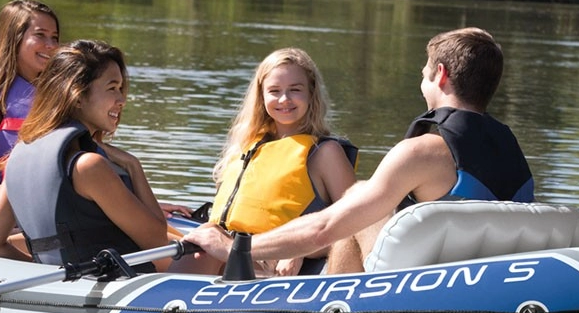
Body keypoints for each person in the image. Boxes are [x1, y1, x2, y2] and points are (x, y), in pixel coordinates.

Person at [187, 27, 534, 274]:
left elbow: (327, 227)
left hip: (403, 298)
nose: (422, 83)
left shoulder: (419, 152)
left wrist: (235, 248)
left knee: (361, 204)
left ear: (440, 75)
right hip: (478, 285)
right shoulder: (513, 153)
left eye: (424, 75)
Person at [0, 40, 175, 272]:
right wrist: (133, 166)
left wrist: (46, 272)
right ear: (77, 96)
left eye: (120, 89)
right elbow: (158, 242)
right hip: (110, 291)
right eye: (112, 88)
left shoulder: (19, 156)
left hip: (66, 286)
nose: (121, 100)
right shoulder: (89, 166)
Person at [180, 47, 357, 275]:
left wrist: (299, 250)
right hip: (220, 248)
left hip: (270, 263)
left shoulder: (325, 153)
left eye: (295, 89)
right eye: (274, 91)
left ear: (311, 93)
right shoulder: (246, 145)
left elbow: (355, 227)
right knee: (203, 236)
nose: (284, 99)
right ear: (261, 95)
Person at [0, 0, 60, 205]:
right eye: (40, 35)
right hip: (5, 223)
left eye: (55, 37)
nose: (51, 46)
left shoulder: (61, 103)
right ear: (13, 39)